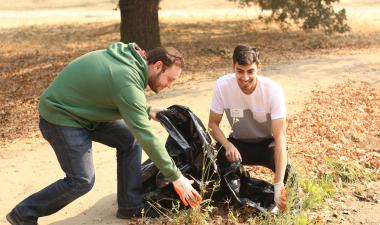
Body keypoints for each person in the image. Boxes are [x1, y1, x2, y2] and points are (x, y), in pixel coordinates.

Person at [6, 42, 202, 225]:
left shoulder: (131, 64)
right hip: (61, 116)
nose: (170, 85)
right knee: (81, 181)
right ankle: (23, 214)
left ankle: (130, 206)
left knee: (129, 140)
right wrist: (176, 177)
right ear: (158, 66)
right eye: (170, 79)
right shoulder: (127, 78)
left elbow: (119, 94)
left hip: (84, 112)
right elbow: (147, 135)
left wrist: (147, 109)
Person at [208, 45, 291, 212]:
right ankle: (231, 198)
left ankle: (278, 200)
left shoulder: (272, 90)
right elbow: (212, 124)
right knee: (213, 167)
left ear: (259, 68)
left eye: (250, 71)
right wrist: (227, 144)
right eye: (239, 71)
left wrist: (278, 185)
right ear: (233, 67)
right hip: (238, 144)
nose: (245, 77)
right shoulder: (222, 85)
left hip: (267, 144)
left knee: (287, 174)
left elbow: (280, 137)